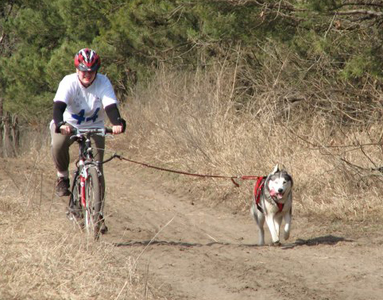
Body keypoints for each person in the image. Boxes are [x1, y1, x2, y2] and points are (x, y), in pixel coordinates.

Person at [50, 48, 126, 205]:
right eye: (83, 71)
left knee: (97, 169)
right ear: (77, 69)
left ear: (97, 71)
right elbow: (58, 108)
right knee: (58, 144)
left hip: (95, 126)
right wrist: (60, 124)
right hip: (69, 124)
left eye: (91, 71)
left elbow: (110, 106)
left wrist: (117, 122)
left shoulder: (103, 82)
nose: (87, 74)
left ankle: (98, 215)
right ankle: (62, 177)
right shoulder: (68, 82)